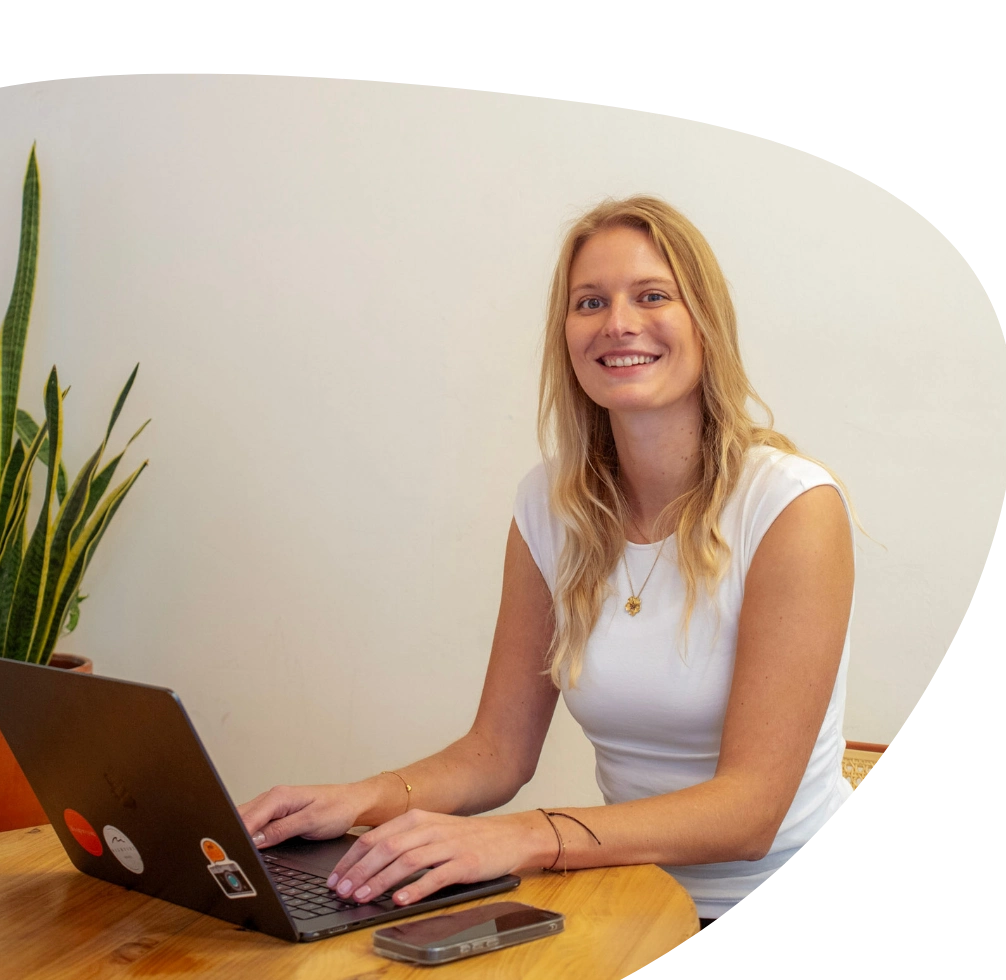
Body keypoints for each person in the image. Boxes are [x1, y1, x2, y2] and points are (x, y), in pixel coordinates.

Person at [240, 196, 855, 925]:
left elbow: (750, 811)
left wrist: (524, 836)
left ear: (705, 322)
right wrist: (356, 800)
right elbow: (497, 752)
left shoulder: (790, 506)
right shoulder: (551, 505)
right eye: (590, 302)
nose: (617, 323)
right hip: (628, 898)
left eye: (652, 295)